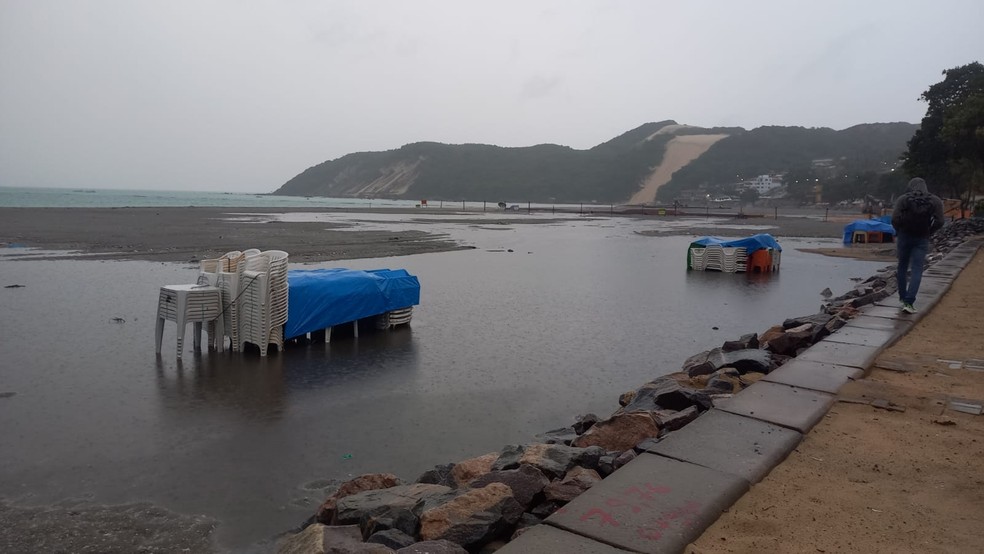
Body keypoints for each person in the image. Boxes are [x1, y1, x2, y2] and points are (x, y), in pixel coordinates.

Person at [891, 177, 944, 313]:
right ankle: (909, 302)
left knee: (902, 267)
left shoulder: (903, 199)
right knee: (917, 269)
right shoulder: (935, 201)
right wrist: (929, 231)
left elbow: (895, 218)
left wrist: (899, 231)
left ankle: (902, 298)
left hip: (904, 236)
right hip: (922, 238)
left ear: (911, 186)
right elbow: (940, 221)